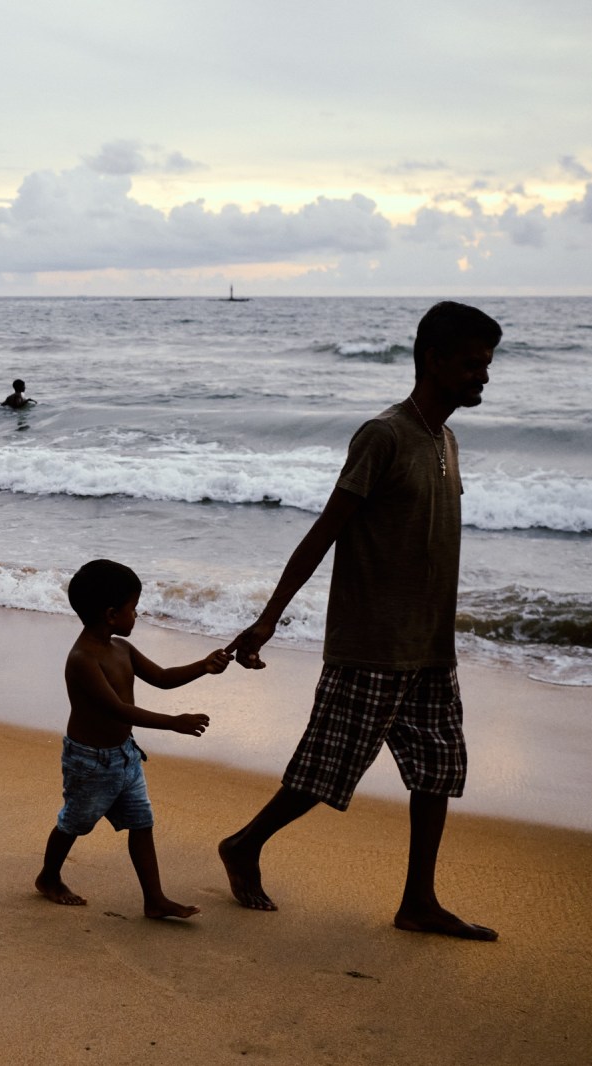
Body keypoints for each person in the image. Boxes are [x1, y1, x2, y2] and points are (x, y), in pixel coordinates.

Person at [219, 301, 502, 941]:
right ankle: (244, 844)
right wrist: (269, 620)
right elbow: (324, 532)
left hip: (430, 646)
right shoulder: (384, 435)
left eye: (487, 365)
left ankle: (418, 902)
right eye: (471, 365)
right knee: (326, 771)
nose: (482, 376)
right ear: (433, 360)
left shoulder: (446, 440)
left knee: (438, 770)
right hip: (370, 642)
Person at [36, 559, 229, 917]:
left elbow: (163, 676)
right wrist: (173, 722)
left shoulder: (121, 649)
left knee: (142, 822)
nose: (137, 615)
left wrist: (203, 666)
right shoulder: (82, 659)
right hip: (89, 762)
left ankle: (154, 899)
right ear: (111, 614)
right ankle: (49, 877)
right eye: (133, 608)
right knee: (74, 822)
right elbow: (118, 710)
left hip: (125, 755)